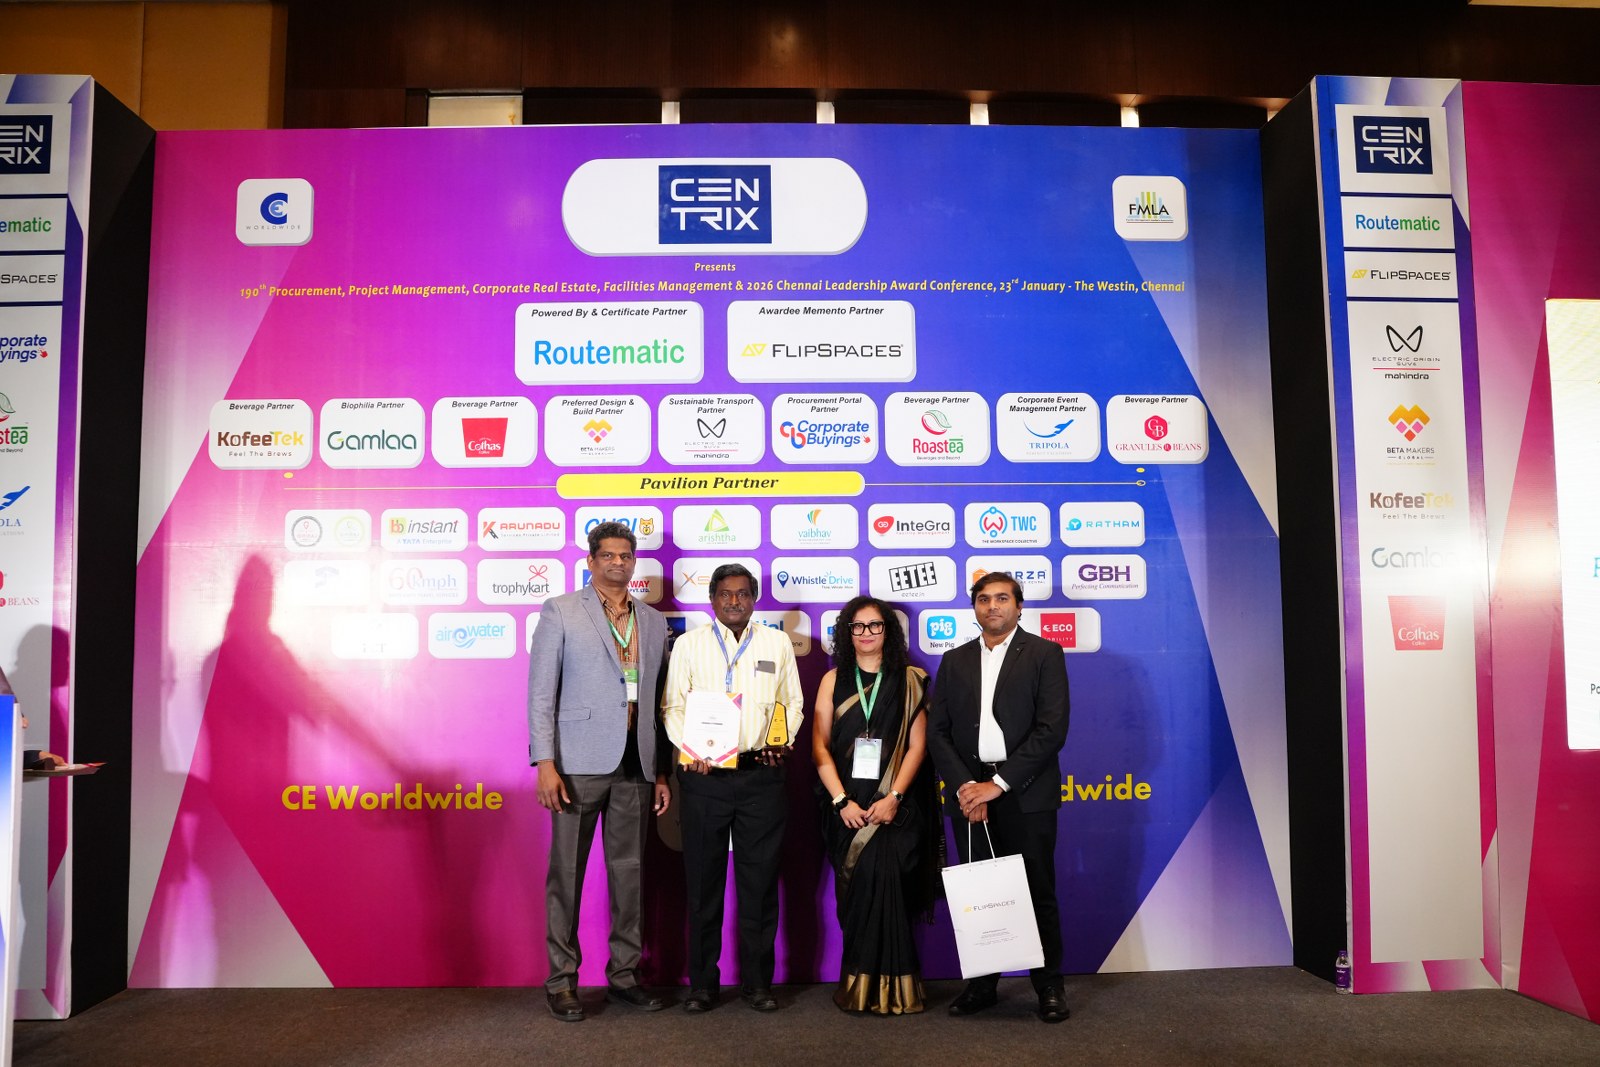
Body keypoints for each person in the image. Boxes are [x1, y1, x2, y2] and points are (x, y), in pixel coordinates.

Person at [528, 521, 672, 1022]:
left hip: (636, 763)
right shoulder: (561, 610)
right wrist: (545, 763)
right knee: (566, 875)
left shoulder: (652, 621)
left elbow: (658, 702)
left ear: (634, 563)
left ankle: (625, 976)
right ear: (591, 562)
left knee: (629, 876)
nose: (617, 562)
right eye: (607, 555)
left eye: (625, 555)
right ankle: (562, 981)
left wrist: (660, 772)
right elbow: (541, 694)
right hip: (575, 765)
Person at [927, 571, 1070, 1023]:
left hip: (1024, 794)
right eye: (984, 599)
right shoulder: (954, 660)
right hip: (969, 796)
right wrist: (967, 788)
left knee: (1037, 891)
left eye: (1002, 598)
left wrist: (999, 784)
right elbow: (938, 732)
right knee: (978, 895)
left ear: (1019, 606)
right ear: (974, 607)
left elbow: (1051, 730)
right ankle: (982, 985)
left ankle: (1049, 987)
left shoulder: (1045, 653)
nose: (993, 606)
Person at [662, 563, 803, 1013]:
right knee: (703, 885)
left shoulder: (776, 643)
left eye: (743, 594)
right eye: (725, 594)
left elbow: (791, 702)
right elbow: (672, 706)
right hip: (705, 778)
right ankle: (703, 984)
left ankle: (758, 984)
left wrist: (781, 740)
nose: (734, 602)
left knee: (758, 885)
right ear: (713, 600)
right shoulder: (689, 645)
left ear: (754, 599)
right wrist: (691, 749)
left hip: (761, 775)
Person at [812, 596, 942, 1014]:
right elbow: (819, 746)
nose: (866, 633)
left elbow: (919, 747)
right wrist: (841, 802)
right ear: (847, 632)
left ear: (888, 630)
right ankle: (858, 986)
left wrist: (894, 798)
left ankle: (900, 992)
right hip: (846, 809)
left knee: (892, 888)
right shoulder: (833, 680)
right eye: (858, 626)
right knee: (858, 894)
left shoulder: (911, 680)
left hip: (896, 809)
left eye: (875, 625)